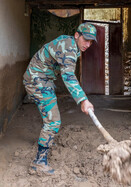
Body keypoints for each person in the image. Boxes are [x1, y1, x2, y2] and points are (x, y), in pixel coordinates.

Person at [23, 22, 97, 175]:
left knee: (51, 117)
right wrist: (83, 100)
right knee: (53, 121)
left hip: (43, 79)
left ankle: (44, 144)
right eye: (86, 39)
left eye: (91, 41)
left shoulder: (71, 44)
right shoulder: (69, 47)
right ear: (77, 35)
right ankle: (39, 163)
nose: (88, 44)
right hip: (37, 80)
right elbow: (68, 76)